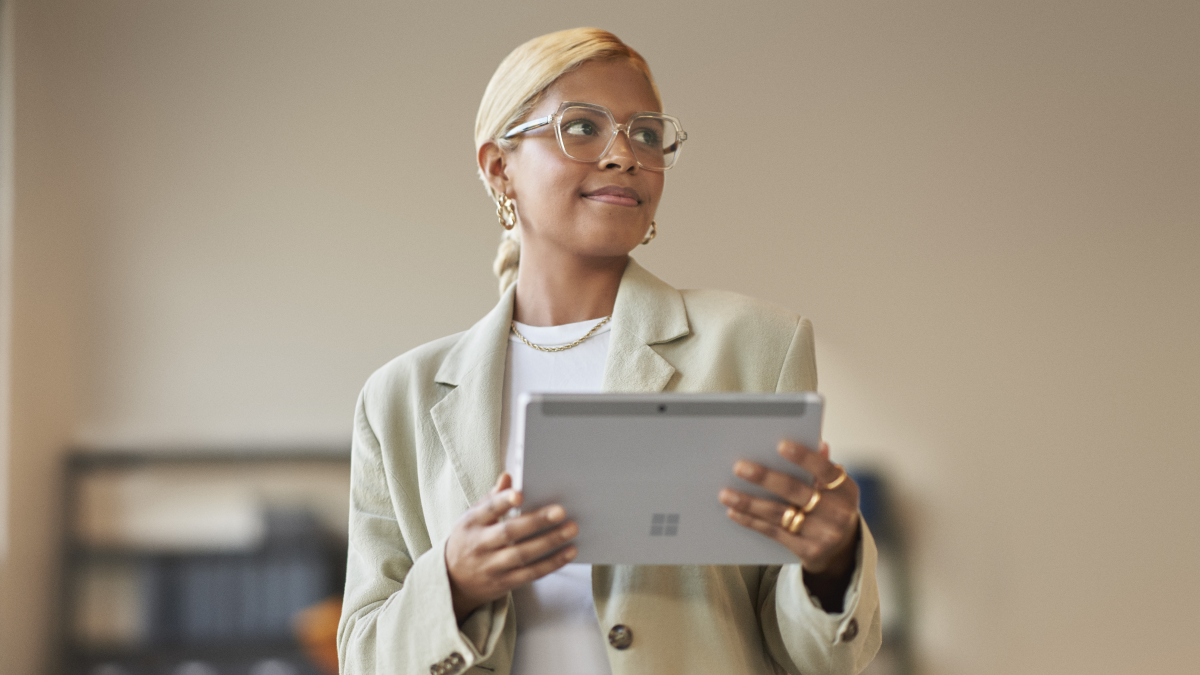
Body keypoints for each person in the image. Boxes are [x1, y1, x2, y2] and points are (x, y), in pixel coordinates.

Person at [337, 27, 881, 675]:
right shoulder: (400, 396)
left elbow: (818, 657)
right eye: (582, 127)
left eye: (647, 134)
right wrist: (453, 579)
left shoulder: (757, 343)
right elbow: (362, 655)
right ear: (498, 166)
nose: (626, 154)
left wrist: (832, 561)